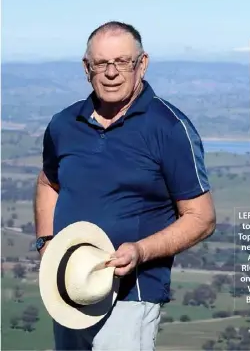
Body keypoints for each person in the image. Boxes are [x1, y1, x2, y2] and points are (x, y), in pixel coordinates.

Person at [34, 21, 216, 351]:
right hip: (71, 287)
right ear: (86, 68)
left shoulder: (170, 128)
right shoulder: (63, 124)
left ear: (142, 64)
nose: (112, 73)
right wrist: (47, 243)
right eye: (102, 63)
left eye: (122, 62)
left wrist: (140, 250)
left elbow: (201, 218)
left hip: (133, 295)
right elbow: (48, 181)